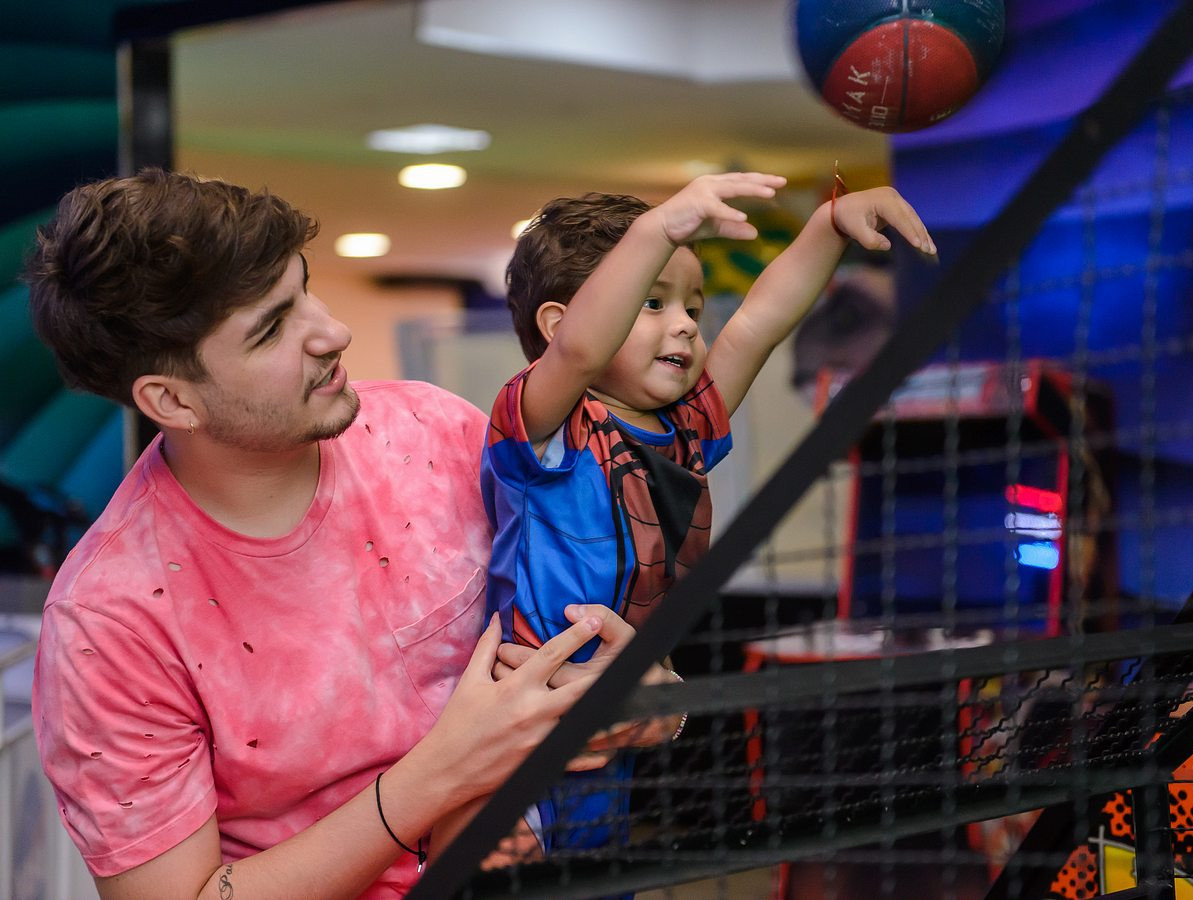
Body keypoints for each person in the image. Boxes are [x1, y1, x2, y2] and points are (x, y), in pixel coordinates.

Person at [25, 168, 675, 899]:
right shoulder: (108, 621)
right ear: (171, 400)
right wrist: (440, 775)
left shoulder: (436, 431)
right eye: (273, 327)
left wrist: (650, 699)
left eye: (304, 289)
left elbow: (599, 632)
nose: (333, 332)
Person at [434, 172, 936, 855]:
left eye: (692, 308)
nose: (686, 324)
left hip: (613, 713)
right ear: (556, 324)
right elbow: (580, 352)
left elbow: (757, 323)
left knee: (601, 870)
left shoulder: (683, 428)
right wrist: (657, 228)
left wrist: (827, 228)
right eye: (652, 302)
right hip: (519, 729)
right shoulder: (543, 426)